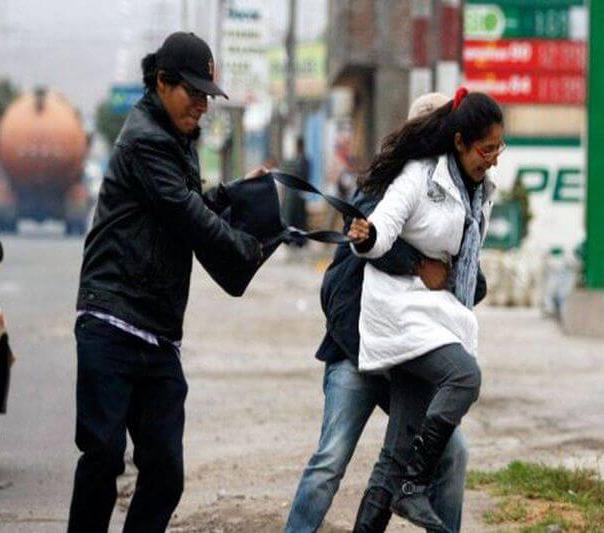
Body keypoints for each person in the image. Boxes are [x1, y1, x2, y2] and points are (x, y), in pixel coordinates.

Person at [69, 32, 266, 533]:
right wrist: (251, 246)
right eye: (192, 93)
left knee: (165, 473)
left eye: (206, 96)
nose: (200, 105)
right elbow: (189, 216)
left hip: (156, 332)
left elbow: (191, 199)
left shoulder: (176, 140)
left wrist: (245, 193)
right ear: (162, 82)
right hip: (111, 320)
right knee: (103, 455)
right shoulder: (145, 141)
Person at [285, 93, 487, 533]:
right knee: (330, 461)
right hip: (356, 351)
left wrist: (454, 272)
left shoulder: (456, 199)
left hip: (408, 350)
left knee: (447, 455)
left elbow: (475, 279)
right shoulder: (386, 190)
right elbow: (356, 260)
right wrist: (418, 265)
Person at [347, 89, 504, 530]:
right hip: (399, 312)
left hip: (434, 316)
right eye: (485, 149)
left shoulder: (480, 192)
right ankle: (413, 487)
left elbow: (464, 258)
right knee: (465, 375)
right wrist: (367, 236)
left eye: (498, 148)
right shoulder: (420, 175)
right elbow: (384, 225)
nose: (492, 158)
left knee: (393, 456)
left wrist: (464, 279)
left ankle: (401, 486)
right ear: (459, 143)